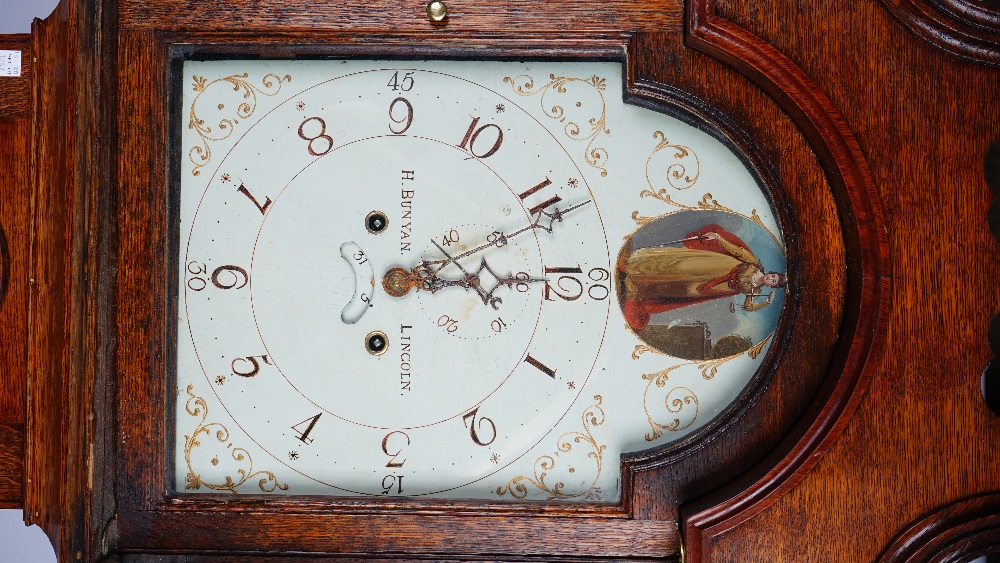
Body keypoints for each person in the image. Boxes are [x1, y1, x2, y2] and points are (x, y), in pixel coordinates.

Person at [618, 223, 785, 331]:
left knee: (680, 289)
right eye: (773, 277)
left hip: (714, 288)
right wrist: (718, 238)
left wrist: (766, 302)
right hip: (716, 265)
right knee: (681, 267)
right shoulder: (754, 263)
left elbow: (748, 307)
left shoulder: (755, 291)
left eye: (773, 282)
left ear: (771, 286)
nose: (770, 279)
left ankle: (640, 286)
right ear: (770, 273)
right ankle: (634, 269)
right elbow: (736, 251)